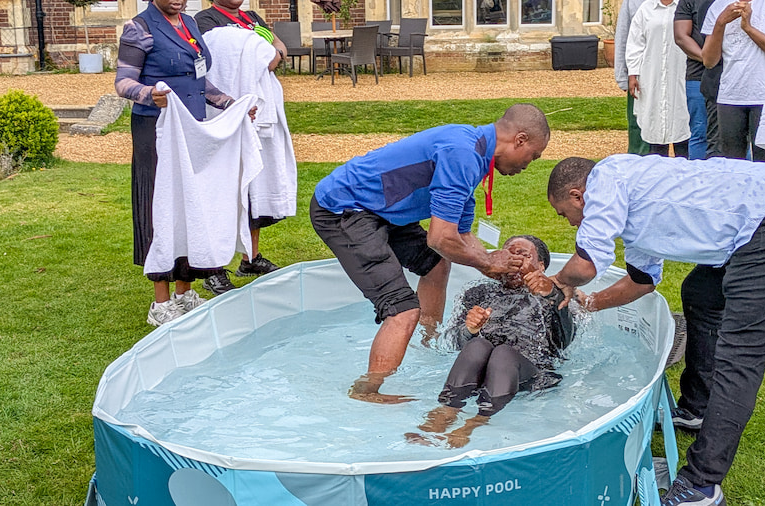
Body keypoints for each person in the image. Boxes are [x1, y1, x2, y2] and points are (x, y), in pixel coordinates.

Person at [545, 155, 765, 506]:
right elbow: (642, 282)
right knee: (700, 293)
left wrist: (556, 283)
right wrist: (591, 303)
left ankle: (701, 485)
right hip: (762, 221)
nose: (570, 224)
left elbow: (587, 262)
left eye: (563, 214)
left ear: (577, 196)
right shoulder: (631, 206)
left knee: (740, 356)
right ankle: (697, 409)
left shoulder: (606, 177)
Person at [310, 103, 550, 404]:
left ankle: (427, 342)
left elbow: (461, 236)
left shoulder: (474, 155)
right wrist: (487, 262)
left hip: (383, 212)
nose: (529, 164)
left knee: (436, 264)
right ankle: (367, 392)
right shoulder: (463, 153)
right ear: (520, 140)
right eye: (534, 155)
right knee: (402, 309)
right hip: (344, 209)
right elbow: (440, 237)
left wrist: (491, 264)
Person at [115, 0, 255, 326]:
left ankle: (184, 292)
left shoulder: (190, 24)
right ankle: (161, 303)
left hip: (192, 130)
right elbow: (123, 82)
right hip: (156, 131)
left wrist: (232, 105)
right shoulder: (140, 28)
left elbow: (200, 81)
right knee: (160, 207)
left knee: (190, 207)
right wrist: (151, 94)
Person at [405, 235, 575, 449]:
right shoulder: (478, 292)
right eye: (508, 254)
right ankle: (445, 412)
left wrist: (552, 295)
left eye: (523, 255)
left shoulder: (553, 295)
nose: (514, 260)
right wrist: (469, 330)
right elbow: (447, 345)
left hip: (527, 376)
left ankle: (473, 423)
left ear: (540, 266)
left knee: (503, 352)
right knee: (478, 345)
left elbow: (564, 341)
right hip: (476, 373)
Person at [195, 0, 295, 295]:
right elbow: (219, 59)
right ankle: (214, 268)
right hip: (227, 109)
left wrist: (267, 51)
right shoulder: (205, 20)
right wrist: (263, 53)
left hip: (258, 108)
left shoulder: (252, 17)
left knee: (253, 183)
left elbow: (279, 51)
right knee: (225, 187)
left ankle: (250, 258)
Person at [701, 0, 765, 161]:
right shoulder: (718, 6)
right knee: (732, 163)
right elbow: (709, 61)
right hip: (730, 96)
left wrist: (747, 27)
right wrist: (720, 23)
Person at [627, 0, 691, 158]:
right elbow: (635, 43)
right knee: (655, 122)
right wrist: (633, 73)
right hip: (652, 75)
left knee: (682, 118)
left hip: (680, 73)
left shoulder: (685, 6)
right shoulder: (646, 9)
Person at [674, 0, 722, 159]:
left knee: (736, 135)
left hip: (735, 74)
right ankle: (699, 180)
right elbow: (681, 36)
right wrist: (708, 57)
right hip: (698, 74)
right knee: (700, 131)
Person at [614, 0, 651, 155]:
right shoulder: (633, 2)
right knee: (638, 125)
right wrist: (622, 76)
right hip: (640, 75)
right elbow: (623, 35)